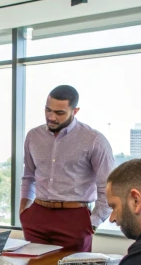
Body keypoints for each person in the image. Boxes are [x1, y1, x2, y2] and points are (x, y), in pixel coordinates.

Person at [20, 85, 114, 252]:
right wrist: (24, 212)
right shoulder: (33, 136)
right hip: (37, 215)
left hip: (75, 218)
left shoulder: (94, 140)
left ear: (75, 111)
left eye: (59, 113)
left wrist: (92, 224)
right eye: (48, 110)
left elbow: (108, 186)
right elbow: (28, 177)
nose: (52, 117)